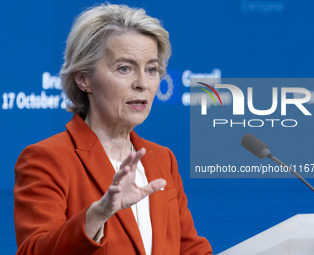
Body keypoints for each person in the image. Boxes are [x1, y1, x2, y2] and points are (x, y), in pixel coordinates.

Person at [14, 3, 213, 255]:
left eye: (151, 69)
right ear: (84, 78)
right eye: (124, 68)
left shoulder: (163, 160)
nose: (142, 83)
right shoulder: (46, 159)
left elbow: (190, 249)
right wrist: (98, 215)